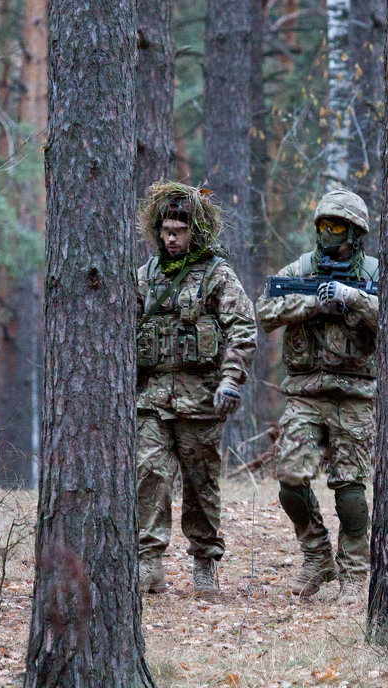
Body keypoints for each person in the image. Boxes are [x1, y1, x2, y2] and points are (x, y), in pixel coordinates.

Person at [256, 188, 379, 599]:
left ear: (355, 233)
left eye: (337, 227)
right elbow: (265, 310)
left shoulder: (374, 275)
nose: (328, 234)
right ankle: (316, 556)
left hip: (356, 395)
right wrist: (312, 303)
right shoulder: (303, 269)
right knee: (290, 479)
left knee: (349, 490)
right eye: (323, 226)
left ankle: (355, 574)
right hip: (305, 394)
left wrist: (353, 299)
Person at [135, 181, 257, 598]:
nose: (171, 238)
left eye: (179, 231)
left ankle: (204, 564)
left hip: (201, 400)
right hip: (152, 399)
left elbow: (243, 329)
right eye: (166, 230)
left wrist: (230, 381)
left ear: (196, 232)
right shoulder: (145, 278)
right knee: (149, 475)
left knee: (200, 483)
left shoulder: (217, 275)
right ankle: (147, 565)